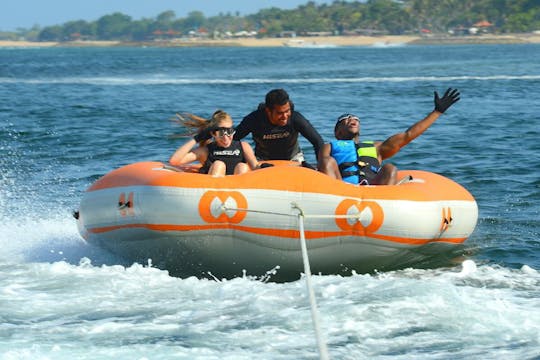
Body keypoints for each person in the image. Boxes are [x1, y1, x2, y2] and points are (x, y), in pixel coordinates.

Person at [318, 88, 460, 185]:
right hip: (341, 188)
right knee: (326, 161)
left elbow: (407, 136)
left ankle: (387, 209)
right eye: (345, 119)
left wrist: (437, 112)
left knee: (390, 168)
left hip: (373, 191)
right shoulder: (329, 146)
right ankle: (331, 200)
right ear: (338, 132)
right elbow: (324, 166)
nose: (351, 119)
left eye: (355, 118)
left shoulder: (376, 147)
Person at [233, 88, 324, 163]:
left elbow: (318, 141)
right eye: (280, 113)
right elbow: (233, 139)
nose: (285, 116)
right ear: (268, 111)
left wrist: (321, 167)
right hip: (262, 160)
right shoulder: (254, 119)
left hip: (293, 159)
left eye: (287, 111)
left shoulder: (296, 118)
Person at [169, 110, 260, 177]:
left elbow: (255, 167)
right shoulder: (206, 151)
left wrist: (264, 167)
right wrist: (196, 139)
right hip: (212, 192)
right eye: (221, 133)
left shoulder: (243, 147)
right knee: (218, 165)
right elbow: (174, 161)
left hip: (237, 193)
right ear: (213, 133)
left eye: (229, 131)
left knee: (242, 166)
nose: (225, 137)